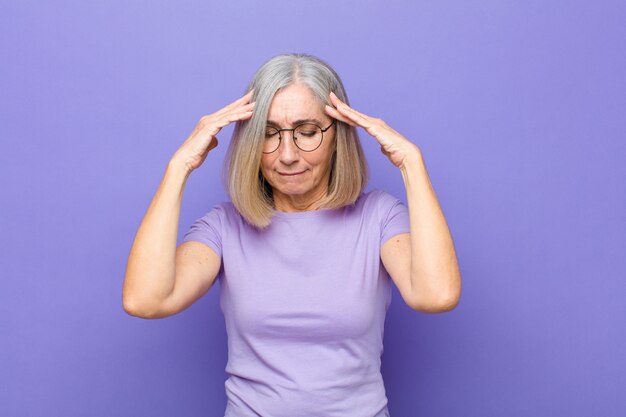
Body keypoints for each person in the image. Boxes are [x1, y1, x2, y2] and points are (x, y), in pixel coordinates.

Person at [123, 53, 461, 416]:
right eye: (268, 134)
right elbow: (145, 300)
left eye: (308, 132)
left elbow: (436, 295)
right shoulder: (224, 226)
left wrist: (412, 163)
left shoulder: (377, 217)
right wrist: (179, 167)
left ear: (337, 136)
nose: (287, 155)